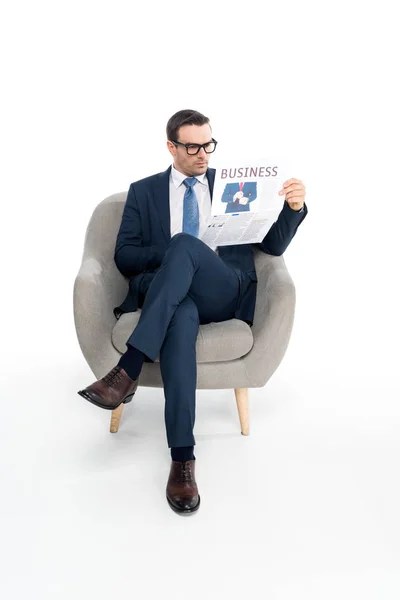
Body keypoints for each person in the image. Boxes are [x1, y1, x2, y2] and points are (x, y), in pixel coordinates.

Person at [78, 109, 308, 516]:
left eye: (208, 144)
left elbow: (269, 248)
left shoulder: (233, 186)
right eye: (193, 146)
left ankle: (127, 368)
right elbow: (126, 256)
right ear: (171, 147)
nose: (203, 154)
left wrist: (293, 208)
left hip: (223, 289)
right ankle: (183, 458)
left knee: (186, 244)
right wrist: (175, 255)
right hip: (170, 296)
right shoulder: (144, 191)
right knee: (180, 308)